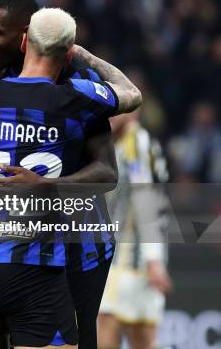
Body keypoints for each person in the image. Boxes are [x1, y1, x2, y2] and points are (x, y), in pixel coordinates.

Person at [0, 7, 141, 349]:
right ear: (68, 52)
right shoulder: (75, 98)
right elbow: (131, 93)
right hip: (29, 260)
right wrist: (82, 53)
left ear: (23, 41)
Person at [97, 110, 172, 349]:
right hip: (130, 257)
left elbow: (146, 199)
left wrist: (153, 259)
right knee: (142, 339)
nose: (109, 118)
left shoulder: (136, 143)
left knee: (107, 328)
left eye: (116, 112)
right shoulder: (119, 143)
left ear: (133, 112)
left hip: (130, 257)